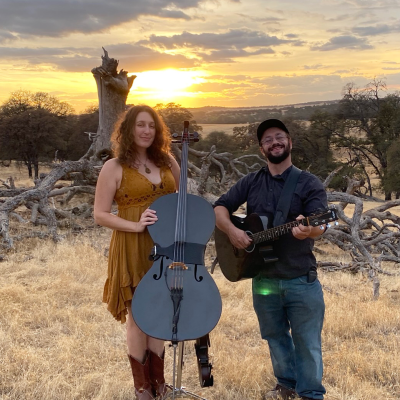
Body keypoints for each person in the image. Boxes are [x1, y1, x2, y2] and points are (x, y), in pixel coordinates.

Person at [214, 119, 327, 400]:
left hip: (301, 279)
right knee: (275, 338)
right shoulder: (251, 181)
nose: (274, 142)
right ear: (261, 148)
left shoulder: (308, 183)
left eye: (279, 137)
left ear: (290, 142)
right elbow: (219, 207)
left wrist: (309, 230)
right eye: (267, 140)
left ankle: (311, 394)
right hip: (263, 279)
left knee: (308, 343)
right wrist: (233, 232)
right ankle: (286, 386)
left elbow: (321, 225)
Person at [94, 105, 180, 400]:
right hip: (132, 245)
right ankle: (142, 388)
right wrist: (136, 224)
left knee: (159, 312)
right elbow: (100, 214)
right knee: (137, 315)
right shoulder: (114, 167)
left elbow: (180, 203)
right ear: (129, 129)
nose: (146, 131)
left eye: (152, 126)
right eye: (140, 125)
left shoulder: (168, 161)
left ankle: (159, 384)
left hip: (165, 245)